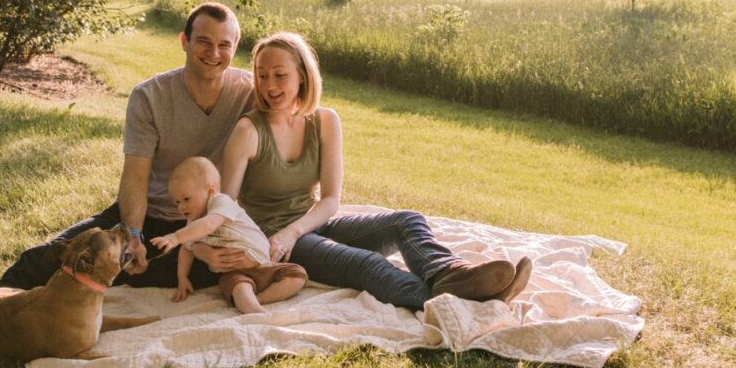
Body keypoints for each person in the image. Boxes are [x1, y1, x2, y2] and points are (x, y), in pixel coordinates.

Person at [0, 2, 254, 358]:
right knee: (45, 256)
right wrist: (132, 233)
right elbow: (135, 177)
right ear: (184, 41)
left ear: (235, 48)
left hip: (202, 224)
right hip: (144, 216)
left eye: (225, 45)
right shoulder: (150, 96)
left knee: (206, 269)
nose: (214, 53)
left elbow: (292, 105)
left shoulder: (247, 92)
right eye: (204, 41)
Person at [214, 31, 532, 312]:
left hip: (309, 226)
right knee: (368, 265)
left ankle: (451, 274)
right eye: (262, 75)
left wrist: (295, 230)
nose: (269, 85)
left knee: (406, 220)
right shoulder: (248, 132)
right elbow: (224, 209)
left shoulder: (325, 121)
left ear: (302, 76)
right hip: (275, 242)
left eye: (279, 75)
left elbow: (330, 200)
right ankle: (475, 301)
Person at [150, 157, 307, 313]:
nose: (181, 207)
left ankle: (261, 299)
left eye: (186, 199)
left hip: (265, 266)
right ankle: (256, 310)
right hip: (236, 274)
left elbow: (209, 224)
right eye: (177, 202)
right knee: (238, 288)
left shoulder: (221, 203)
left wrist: (175, 237)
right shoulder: (193, 223)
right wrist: (182, 278)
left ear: (211, 191)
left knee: (297, 274)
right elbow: (187, 249)